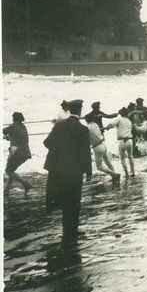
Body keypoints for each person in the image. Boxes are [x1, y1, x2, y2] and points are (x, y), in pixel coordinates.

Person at [43, 99, 92, 240]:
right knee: (74, 199)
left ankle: (66, 230)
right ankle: (72, 230)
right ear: (80, 110)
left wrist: (60, 152)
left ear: (69, 110)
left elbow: (47, 142)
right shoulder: (83, 129)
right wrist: (88, 171)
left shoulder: (59, 125)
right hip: (75, 171)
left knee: (63, 198)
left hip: (58, 170)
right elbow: (85, 152)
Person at [3, 112, 32, 195]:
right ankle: (6, 190)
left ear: (14, 118)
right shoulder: (23, 126)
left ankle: (26, 184)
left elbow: (3, 131)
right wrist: (9, 137)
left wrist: (7, 135)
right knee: (12, 170)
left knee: (8, 171)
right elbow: (16, 137)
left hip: (16, 152)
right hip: (26, 152)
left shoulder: (13, 126)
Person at [86, 115, 121, 182]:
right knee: (107, 160)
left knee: (99, 167)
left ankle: (114, 174)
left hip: (97, 147)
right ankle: (114, 175)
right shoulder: (95, 124)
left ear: (86, 120)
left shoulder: (87, 127)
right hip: (103, 144)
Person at [104, 107, 135, 176]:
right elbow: (131, 129)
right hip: (130, 140)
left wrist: (107, 128)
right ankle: (133, 172)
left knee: (122, 157)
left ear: (120, 114)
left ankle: (126, 173)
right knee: (130, 156)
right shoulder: (129, 121)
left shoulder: (119, 119)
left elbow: (111, 124)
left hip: (122, 141)